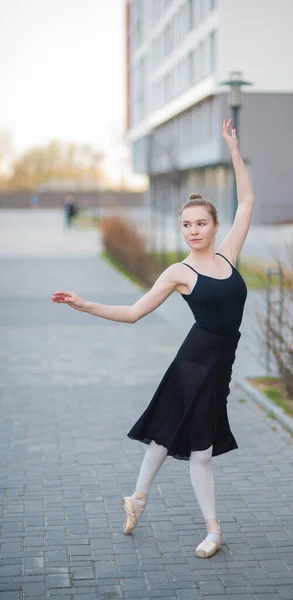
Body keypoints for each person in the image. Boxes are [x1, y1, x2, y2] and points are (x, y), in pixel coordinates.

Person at [51, 119, 254, 559]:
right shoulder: (179, 273)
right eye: (186, 224)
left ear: (215, 226)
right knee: (188, 447)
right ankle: (212, 531)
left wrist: (234, 152)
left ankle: (137, 500)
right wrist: (84, 305)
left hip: (219, 367)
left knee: (170, 440)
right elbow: (134, 313)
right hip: (192, 365)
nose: (193, 230)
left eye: (201, 222)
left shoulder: (228, 255)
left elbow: (248, 202)